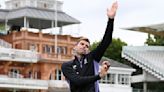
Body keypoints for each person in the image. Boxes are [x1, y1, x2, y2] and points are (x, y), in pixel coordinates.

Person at [62, 1, 118, 92]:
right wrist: (99, 76)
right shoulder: (67, 65)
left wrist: (111, 20)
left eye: (87, 46)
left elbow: (106, 42)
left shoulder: (92, 58)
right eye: (82, 44)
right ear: (75, 47)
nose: (84, 46)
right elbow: (77, 81)